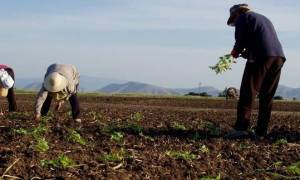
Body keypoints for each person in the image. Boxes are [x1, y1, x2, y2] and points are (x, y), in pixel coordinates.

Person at [225, 4, 286, 138]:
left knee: (248, 91)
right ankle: (261, 132)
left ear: (236, 14)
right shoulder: (262, 18)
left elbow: (241, 39)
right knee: (267, 96)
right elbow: (262, 39)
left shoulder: (243, 18)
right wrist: (247, 52)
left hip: (261, 56)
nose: (235, 24)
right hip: (278, 57)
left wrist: (235, 52)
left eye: (233, 22)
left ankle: (241, 129)